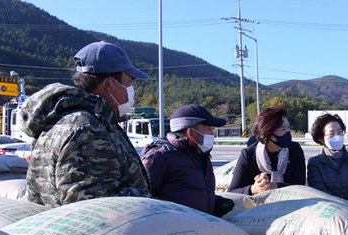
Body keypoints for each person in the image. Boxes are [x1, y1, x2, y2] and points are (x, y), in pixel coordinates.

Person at [20, 41, 150, 207]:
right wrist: (145, 198)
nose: (131, 89)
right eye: (129, 81)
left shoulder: (72, 121)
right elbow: (90, 207)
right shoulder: (86, 129)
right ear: (109, 85)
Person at [140, 105, 235, 217]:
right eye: (209, 128)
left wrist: (215, 203)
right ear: (191, 133)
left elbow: (189, 192)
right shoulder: (159, 157)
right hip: (175, 231)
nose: (212, 133)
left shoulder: (201, 156)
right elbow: (141, 201)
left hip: (198, 229)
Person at [228, 106, 306, 194]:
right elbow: (232, 191)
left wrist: (276, 186)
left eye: (288, 127)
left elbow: (300, 186)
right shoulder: (248, 155)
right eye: (283, 129)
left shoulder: (295, 150)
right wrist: (253, 189)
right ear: (268, 133)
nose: (288, 132)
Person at [307, 113, 348, 204]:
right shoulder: (315, 163)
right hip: (329, 211)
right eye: (331, 133)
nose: (337, 136)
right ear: (321, 139)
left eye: (339, 132)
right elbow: (319, 192)